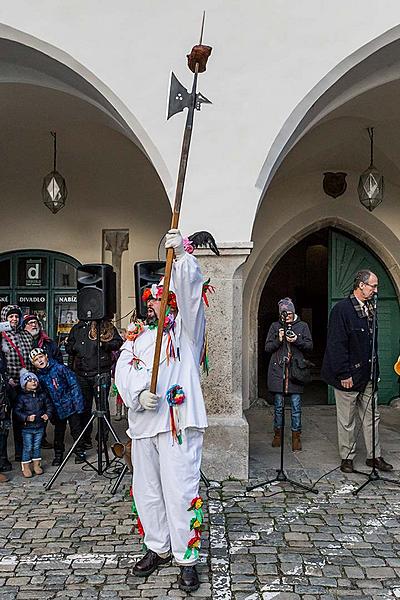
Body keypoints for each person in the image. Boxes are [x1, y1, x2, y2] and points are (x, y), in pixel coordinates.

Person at [115, 229, 208, 593]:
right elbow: (122, 371)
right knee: (147, 490)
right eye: (150, 300)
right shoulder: (136, 338)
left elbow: (192, 297)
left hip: (176, 426)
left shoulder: (186, 333)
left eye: (160, 298)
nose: (153, 304)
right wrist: (138, 396)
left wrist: (182, 258)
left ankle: (187, 558)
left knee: (180, 490)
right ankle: (158, 546)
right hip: (143, 426)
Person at [321, 269, 393, 474]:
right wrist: (344, 374)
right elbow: (336, 345)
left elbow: (371, 343)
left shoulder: (371, 307)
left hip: (368, 374)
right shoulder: (342, 310)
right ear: (361, 285)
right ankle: (347, 457)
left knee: (372, 417)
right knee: (347, 419)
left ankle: (374, 456)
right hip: (348, 375)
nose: (376, 290)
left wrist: (375, 371)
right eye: (373, 286)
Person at [65, 319, 122, 449]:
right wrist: (75, 347)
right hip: (82, 374)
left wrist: (104, 344)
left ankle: (102, 439)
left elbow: (118, 342)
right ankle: (85, 438)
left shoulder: (106, 325)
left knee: (102, 407)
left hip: (101, 373)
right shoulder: (77, 328)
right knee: (84, 407)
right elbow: (69, 347)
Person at [265, 297, 313, 451]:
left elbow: (309, 346)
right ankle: (277, 434)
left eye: (290, 314)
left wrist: (296, 340)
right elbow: (267, 348)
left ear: (294, 312)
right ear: (281, 315)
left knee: (296, 407)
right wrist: (279, 339)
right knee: (278, 406)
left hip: (295, 372)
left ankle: (296, 437)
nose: (288, 317)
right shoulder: (274, 326)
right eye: (285, 315)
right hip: (278, 371)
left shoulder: (303, 326)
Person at [30, 347, 86, 465]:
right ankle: (58, 454)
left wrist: (78, 403)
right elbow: (43, 396)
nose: (40, 361)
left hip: (70, 404)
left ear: (46, 356)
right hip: (56, 408)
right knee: (59, 432)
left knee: (76, 429)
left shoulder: (60, 368)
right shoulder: (39, 377)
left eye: (41, 357)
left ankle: (80, 451)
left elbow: (73, 385)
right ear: (33, 364)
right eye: (36, 360)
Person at [23, 314, 63, 449]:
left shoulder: (48, 343)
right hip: (30, 383)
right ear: (24, 327)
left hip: (48, 383)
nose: (33, 325)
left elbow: (58, 359)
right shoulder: (22, 343)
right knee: (33, 411)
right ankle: (34, 440)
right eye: (30, 323)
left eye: (35, 322)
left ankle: (45, 439)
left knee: (49, 411)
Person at [1, 305, 33, 462]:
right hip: (6, 385)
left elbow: (30, 358)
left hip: (23, 384)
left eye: (16, 316)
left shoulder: (26, 335)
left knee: (21, 421)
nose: (14, 319)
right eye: (10, 317)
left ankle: (22, 453)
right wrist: (6, 379)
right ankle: (3, 457)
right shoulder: (1, 335)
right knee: (4, 422)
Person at [14, 369, 54, 478]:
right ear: (24, 384)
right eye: (30, 381)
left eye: (35, 380)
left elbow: (49, 405)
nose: (33, 382)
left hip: (39, 426)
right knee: (27, 447)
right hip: (27, 427)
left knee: (36, 446)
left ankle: (37, 465)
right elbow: (17, 411)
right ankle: (26, 466)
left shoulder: (42, 395)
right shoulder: (21, 397)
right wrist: (26, 418)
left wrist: (47, 414)